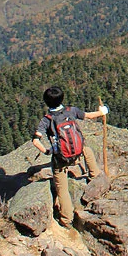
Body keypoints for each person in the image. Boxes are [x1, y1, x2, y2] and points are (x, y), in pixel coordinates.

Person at [32, 86, 109, 227]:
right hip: (78, 152)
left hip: (60, 158)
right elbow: (88, 116)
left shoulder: (47, 120)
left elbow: (35, 141)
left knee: (62, 188)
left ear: (46, 102)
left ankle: (67, 219)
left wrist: (47, 151)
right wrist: (101, 112)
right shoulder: (71, 111)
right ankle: (95, 175)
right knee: (87, 149)